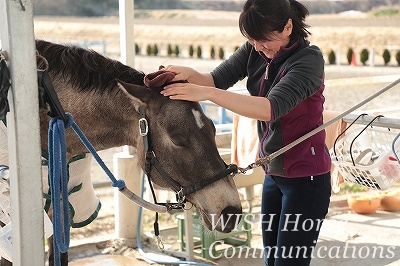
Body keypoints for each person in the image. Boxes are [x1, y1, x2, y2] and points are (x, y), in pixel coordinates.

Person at [161, 0, 331, 265]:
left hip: (306, 179)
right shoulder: (257, 50)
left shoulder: (308, 61)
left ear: (288, 27)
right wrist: (189, 75)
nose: (258, 47)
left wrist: (208, 94)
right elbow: (216, 79)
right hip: (274, 175)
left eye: (263, 41)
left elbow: (270, 108)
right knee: (271, 259)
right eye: (252, 41)